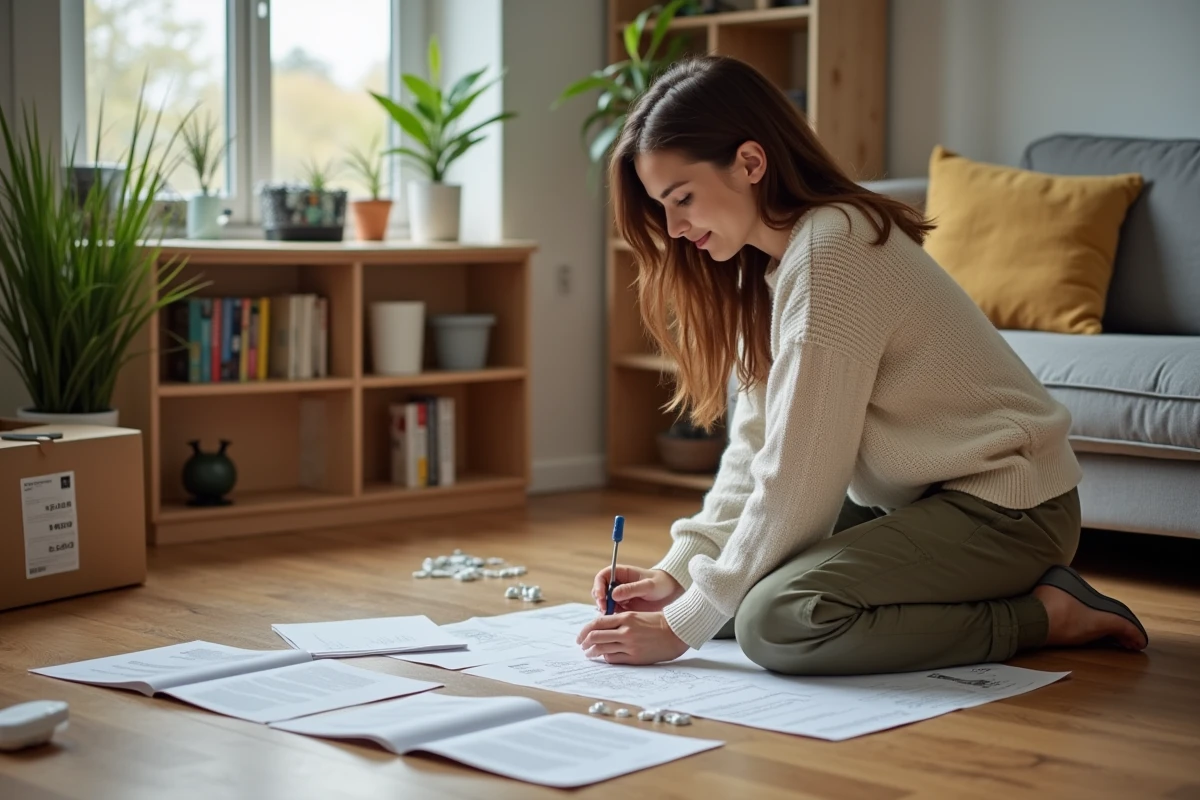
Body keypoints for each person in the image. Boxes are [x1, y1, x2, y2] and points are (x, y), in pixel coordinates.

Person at [575, 55, 1148, 675]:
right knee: (727, 600)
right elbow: (757, 448)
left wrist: (679, 627)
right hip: (911, 501)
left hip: (1008, 508)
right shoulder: (763, 270)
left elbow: (800, 474)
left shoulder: (833, 251)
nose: (675, 227)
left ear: (749, 162)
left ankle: (1046, 615)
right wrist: (678, 572)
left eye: (681, 198)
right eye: (663, 207)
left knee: (773, 622)